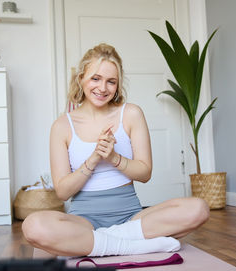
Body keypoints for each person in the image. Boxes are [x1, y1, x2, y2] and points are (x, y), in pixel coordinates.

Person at [22, 43, 209, 257]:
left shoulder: (131, 114)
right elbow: (63, 192)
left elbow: (145, 173)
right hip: (84, 222)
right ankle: (127, 245)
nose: (103, 88)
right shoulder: (62, 126)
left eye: (111, 82)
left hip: (131, 217)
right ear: (81, 78)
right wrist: (93, 159)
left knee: (199, 209)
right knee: (33, 226)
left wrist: (113, 157)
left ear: (118, 85)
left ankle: (99, 244)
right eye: (95, 78)